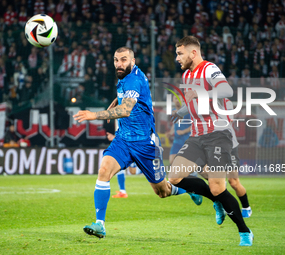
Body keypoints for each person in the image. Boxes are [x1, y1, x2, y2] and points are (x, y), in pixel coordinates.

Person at [73, 47, 200, 239]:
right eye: (116, 60)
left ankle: (189, 188)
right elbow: (129, 95)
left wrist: (94, 115)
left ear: (133, 61)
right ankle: (100, 224)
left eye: (123, 60)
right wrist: (117, 99)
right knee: (104, 170)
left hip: (145, 143)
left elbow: (126, 110)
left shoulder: (133, 78)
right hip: (123, 139)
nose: (119, 64)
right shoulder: (128, 75)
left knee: (162, 191)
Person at [169, 36, 253, 246]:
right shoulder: (187, 75)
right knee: (174, 177)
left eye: (180, 53)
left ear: (193, 53)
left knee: (218, 186)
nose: (177, 58)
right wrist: (181, 112)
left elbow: (226, 90)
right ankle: (216, 201)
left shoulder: (209, 69)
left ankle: (244, 232)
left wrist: (198, 92)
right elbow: (194, 102)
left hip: (218, 134)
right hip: (197, 135)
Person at [199, 99, 252, 218]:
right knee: (201, 168)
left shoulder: (226, 102)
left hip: (229, 145)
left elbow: (226, 121)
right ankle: (220, 191)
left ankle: (246, 207)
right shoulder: (202, 101)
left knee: (233, 181)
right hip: (211, 144)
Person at [167, 94, 202, 205]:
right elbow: (175, 124)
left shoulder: (187, 111)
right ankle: (189, 184)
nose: (177, 101)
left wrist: (183, 132)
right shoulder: (173, 111)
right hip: (177, 141)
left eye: (179, 99)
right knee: (172, 161)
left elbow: (194, 125)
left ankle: (193, 184)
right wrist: (171, 131)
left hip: (186, 140)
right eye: (174, 98)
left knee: (188, 166)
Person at [106, 131, 137, 198]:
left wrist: (113, 137)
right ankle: (122, 191)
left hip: (132, 145)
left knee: (133, 172)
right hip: (126, 146)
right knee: (119, 166)